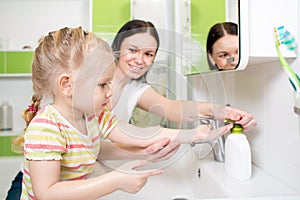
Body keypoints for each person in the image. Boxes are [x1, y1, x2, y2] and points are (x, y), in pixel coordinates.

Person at [9, 26, 233, 200]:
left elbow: (137, 134)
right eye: (103, 84)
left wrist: (196, 135)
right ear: (67, 85)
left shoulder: (93, 115)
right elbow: (48, 194)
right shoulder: (47, 128)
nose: (110, 92)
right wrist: (115, 180)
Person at [110, 19, 255, 131]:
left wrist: (224, 111)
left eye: (148, 54)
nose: (140, 60)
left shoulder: (135, 88)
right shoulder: (95, 79)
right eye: (133, 50)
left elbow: (173, 109)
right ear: (117, 47)